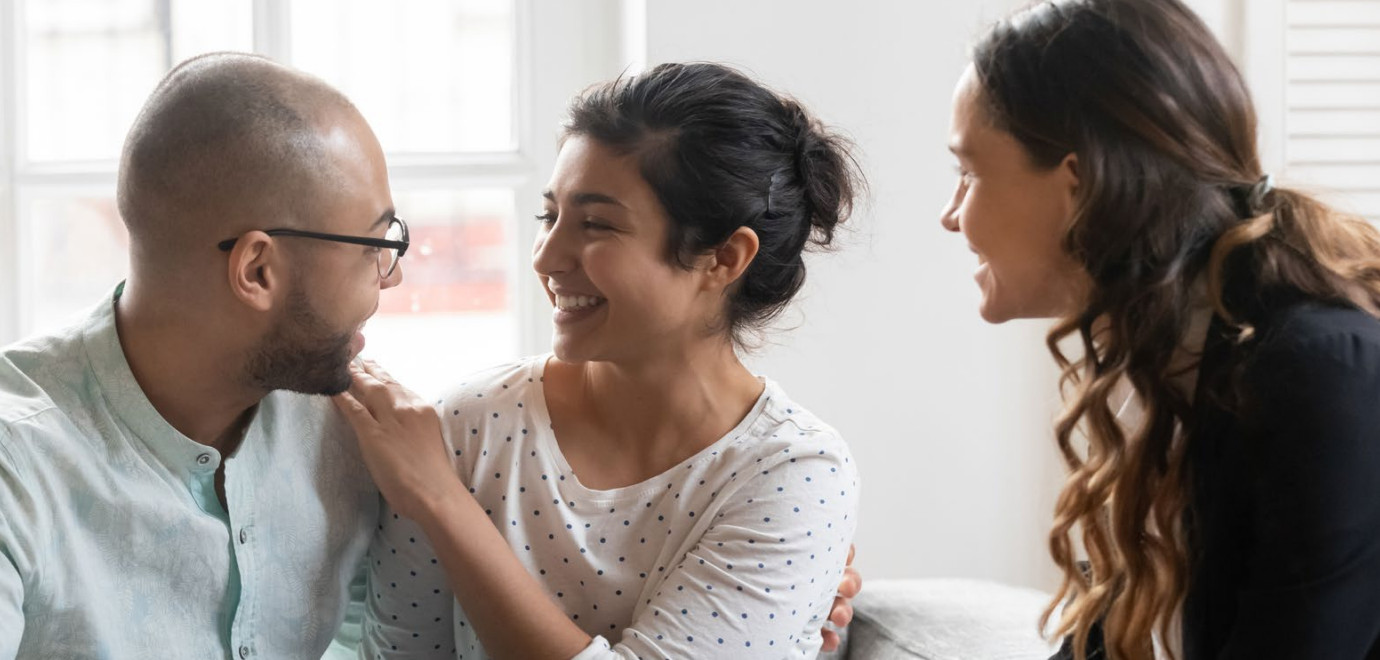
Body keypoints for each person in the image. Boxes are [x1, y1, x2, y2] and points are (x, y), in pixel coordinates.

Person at [335, 62, 864, 659]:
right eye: (549, 216)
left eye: (596, 224)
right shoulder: (468, 425)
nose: (547, 256)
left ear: (723, 258)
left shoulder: (794, 473)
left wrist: (440, 501)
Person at [940, 0, 1380, 658]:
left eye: (969, 172)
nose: (952, 216)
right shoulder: (1162, 362)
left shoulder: (1320, 377)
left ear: (1079, 183)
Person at [0, 52, 407, 657]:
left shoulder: (355, 436)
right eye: (375, 244)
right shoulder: (17, 467)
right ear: (258, 269)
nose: (391, 276)